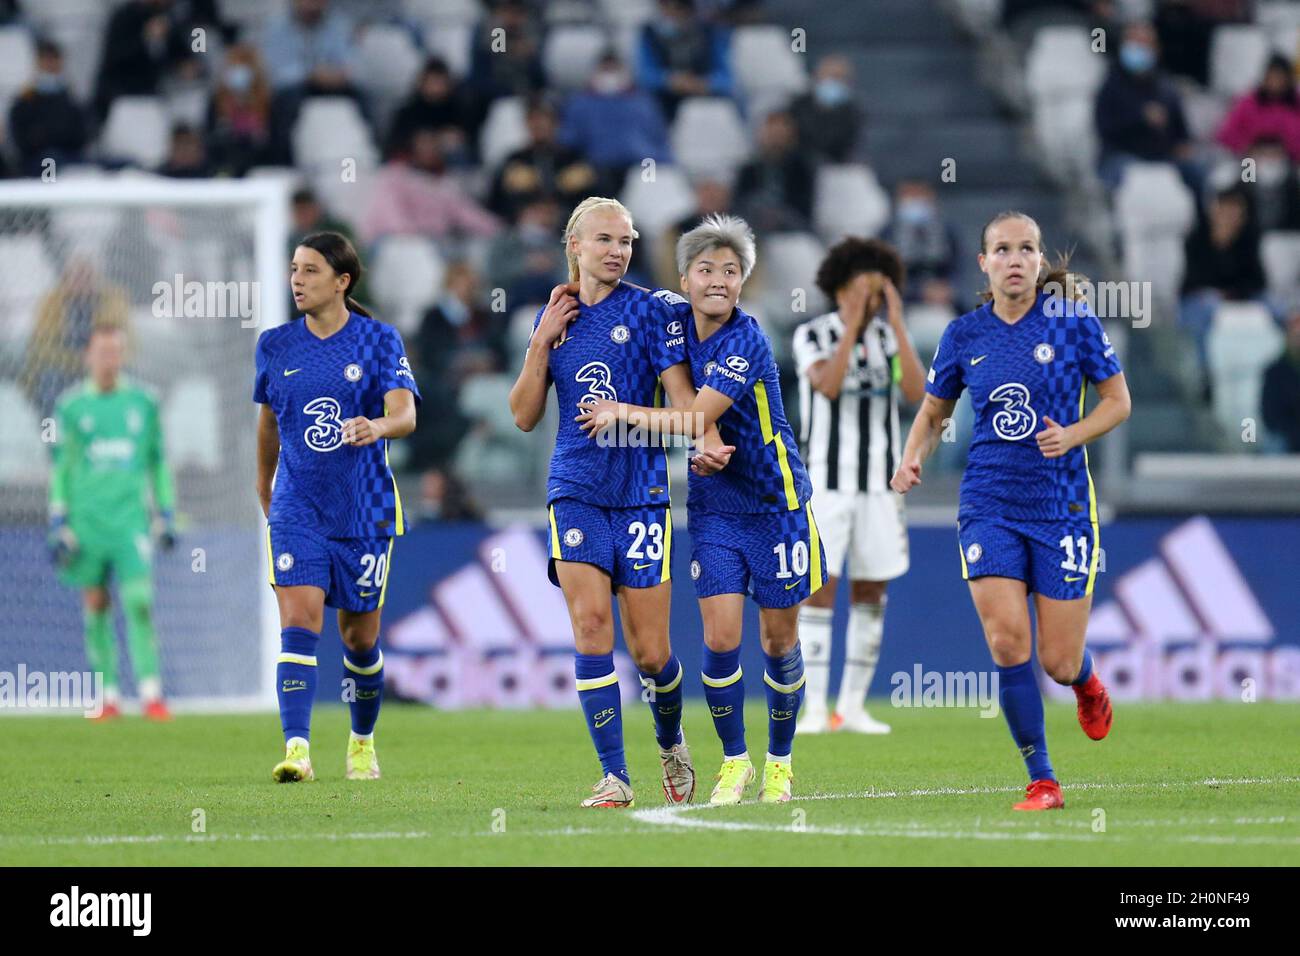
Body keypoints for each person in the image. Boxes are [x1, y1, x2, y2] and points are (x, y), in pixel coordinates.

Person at [577, 214, 822, 805]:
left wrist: (625, 413)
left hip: (776, 503)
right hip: (714, 507)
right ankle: (734, 762)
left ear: (744, 283)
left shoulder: (747, 339)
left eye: (732, 271)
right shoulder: (671, 322)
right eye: (707, 269)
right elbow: (683, 397)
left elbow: (692, 415)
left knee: (779, 640)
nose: (719, 279)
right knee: (718, 639)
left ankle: (781, 762)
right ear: (686, 279)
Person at [891, 211, 1131, 811]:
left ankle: (1085, 680)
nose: (1015, 259)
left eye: (1027, 248)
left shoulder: (1073, 323)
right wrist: (911, 456)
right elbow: (934, 411)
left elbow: (1117, 402)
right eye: (1002, 249)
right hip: (989, 504)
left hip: (1063, 505)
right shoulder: (964, 335)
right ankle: (1043, 779)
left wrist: (1074, 434)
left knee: (1057, 659)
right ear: (984, 263)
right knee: (1006, 643)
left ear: (1040, 259)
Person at [508, 196, 730, 808]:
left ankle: (670, 740)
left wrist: (625, 419)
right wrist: (540, 345)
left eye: (627, 241)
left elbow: (688, 416)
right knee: (590, 627)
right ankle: (614, 777)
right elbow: (525, 417)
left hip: (641, 496)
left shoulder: (656, 312)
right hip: (574, 490)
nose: (618, 251)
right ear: (573, 246)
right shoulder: (554, 315)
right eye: (606, 239)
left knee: (653, 653)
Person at [254, 232, 421, 783]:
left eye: (309, 270)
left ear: (342, 281)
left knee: (359, 639)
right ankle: (297, 750)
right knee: (298, 623)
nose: (297, 280)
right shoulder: (275, 345)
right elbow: (268, 429)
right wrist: (268, 494)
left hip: (364, 508)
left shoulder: (378, 340)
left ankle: (362, 742)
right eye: (293, 269)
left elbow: (405, 415)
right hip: (297, 508)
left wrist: (376, 425)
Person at [792, 238, 925, 735]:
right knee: (819, 588)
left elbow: (917, 394)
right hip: (825, 485)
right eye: (856, 289)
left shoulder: (891, 340)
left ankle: (853, 707)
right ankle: (815, 710)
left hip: (880, 487)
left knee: (871, 588)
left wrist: (897, 323)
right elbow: (827, 385)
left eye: (873, 292)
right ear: (838, 289)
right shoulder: (814, 334)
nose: (863, 300)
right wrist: (851, 327)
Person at [48, 324, 177, 721]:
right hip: (87, 522)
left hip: (130, 521)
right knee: (96, 603)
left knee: (139, 602)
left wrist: (166, 511)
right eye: (102, 352)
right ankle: (107, 696)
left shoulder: (143, 402)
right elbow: (62, 468)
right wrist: (58, 517)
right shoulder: (70, 406)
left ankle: (151, 693)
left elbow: (158, 461)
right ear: (89, 355)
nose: (109, 360)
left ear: (123, 355)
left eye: (115, 352)